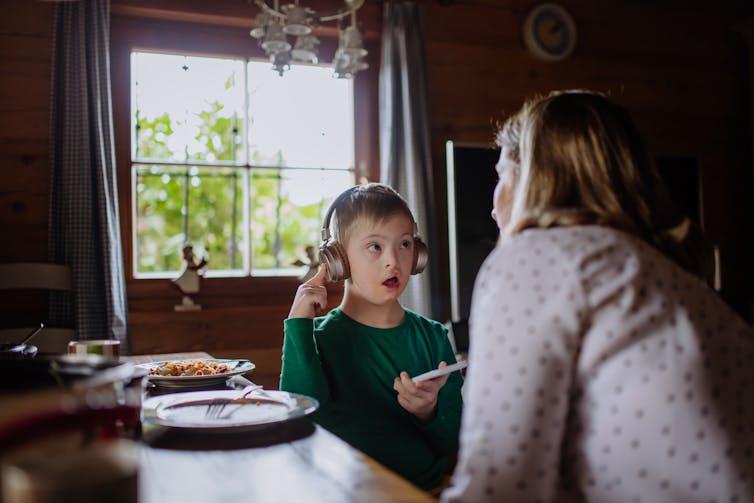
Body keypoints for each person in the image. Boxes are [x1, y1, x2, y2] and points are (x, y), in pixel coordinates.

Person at [441, 90, 754, 502]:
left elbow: (499, 489)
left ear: (536, 180)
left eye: (502, 175)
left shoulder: (537, 258)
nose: (494, 207)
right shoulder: (674, 278)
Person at [280, 183, 464, 491]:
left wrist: (428, 413)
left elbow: (451, 442)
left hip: (422, 492)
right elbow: (299, 419)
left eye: (405, 244)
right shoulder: (316, 338)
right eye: (375, 247)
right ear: (338, 260)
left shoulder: (433, 337)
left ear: (418, 254)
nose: (393, 260)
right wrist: (298, 324)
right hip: (342, 491)